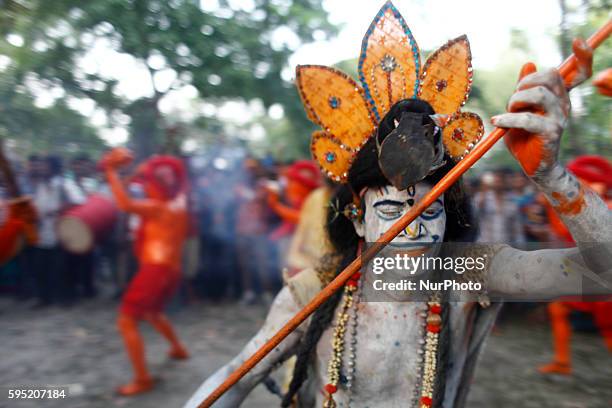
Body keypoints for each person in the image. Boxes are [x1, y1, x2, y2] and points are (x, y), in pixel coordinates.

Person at [184, 3, 610, 407]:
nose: (414, 230)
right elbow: (237, 376)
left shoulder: (460, 274)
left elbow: (603, 276)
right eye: (391, 212)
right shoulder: (314, 292)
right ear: (358, 218)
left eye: (430, 212)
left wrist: (553, 178)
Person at [101, 147, 190, 396]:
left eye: (148, 182)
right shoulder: (180, 202)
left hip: (155, 268)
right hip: (170, 270)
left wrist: (110, 170)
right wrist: (138, 173)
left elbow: (124, 203)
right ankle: (178, 348)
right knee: (152, 313)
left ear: (157, 185)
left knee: (127, 319)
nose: (145, 186)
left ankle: (142, 379)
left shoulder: (158, 207)